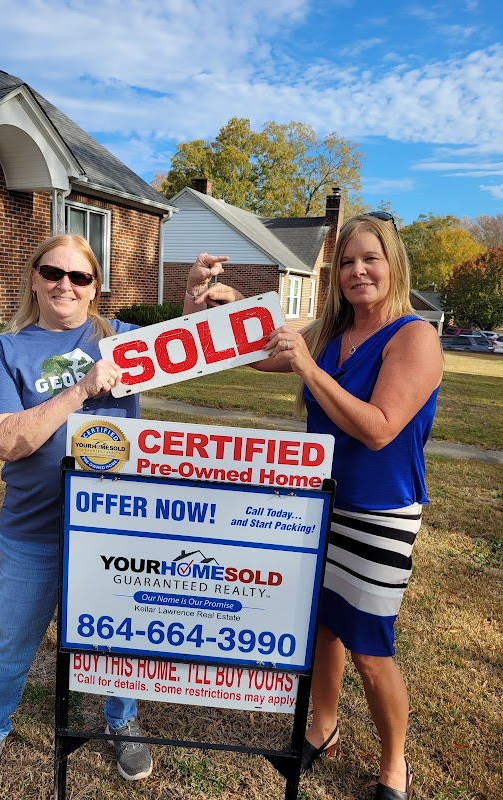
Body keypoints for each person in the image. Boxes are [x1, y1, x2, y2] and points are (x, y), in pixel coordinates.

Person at [184, 213, 443, 800]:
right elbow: (251, 355)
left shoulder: (413, 337)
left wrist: (306, 366)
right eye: (346, 262)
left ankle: (395, 766)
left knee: (370, 647)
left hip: (379, 513)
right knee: (322, 627)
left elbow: (378, 428)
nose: (357, 271)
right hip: (317, 505)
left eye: (369, 258)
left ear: (393, 264)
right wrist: (207, 301)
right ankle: (322, 730)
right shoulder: (330, 332)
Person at [0, 234, 154, 800]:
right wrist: (81, 390)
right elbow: (7, 441)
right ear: (34, 278)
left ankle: (121, 720)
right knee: (10, 641)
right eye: (53, 272)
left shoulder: (122, 339)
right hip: (34, 530)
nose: (65, 284)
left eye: (79, 276)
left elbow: (196, 346)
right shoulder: (6, 349)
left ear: (95, 287)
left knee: (116, 638)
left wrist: (193, 301)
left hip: (112, 526)